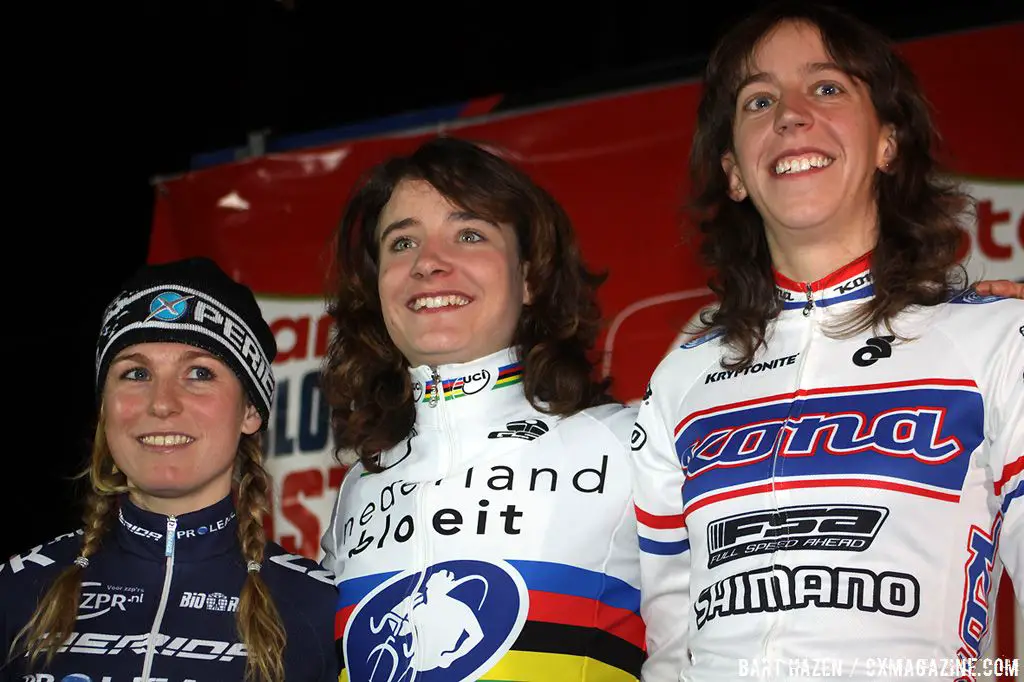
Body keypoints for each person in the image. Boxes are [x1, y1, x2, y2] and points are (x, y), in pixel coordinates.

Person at [629, 2, 1023, 680]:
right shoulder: (681, 377)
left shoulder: (991, 336)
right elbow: (669, 645)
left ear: (886, 142)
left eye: (828, 87)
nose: (789, 114)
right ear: (733, 171)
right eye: (758, 100)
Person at [319, 136, 648, 681]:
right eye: (402, 244)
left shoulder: (628, 442)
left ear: (529, 277)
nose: (428, 264)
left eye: (469, 234)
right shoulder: (358, 486)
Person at [1, 258, 339, 682]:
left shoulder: (319, 608)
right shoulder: (18, 590)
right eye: (136, 373)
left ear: (251, 410)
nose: (162, 403)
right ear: (105, 408)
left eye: (199, 373)